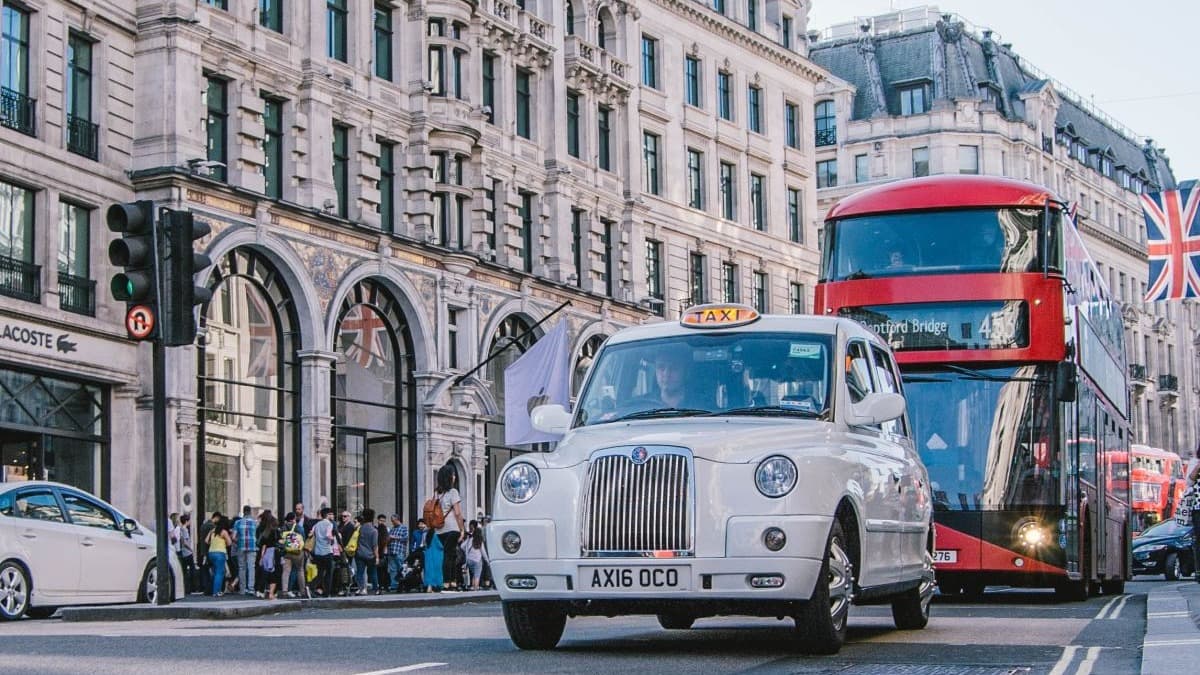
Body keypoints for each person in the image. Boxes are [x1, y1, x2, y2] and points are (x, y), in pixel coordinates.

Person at [434, 464, 466, 591]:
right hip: (452, 527)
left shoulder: (437, 493)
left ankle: (451, 582)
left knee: (449, 554)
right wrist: (462, 529)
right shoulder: (453, 492)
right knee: (450, 555)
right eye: (453, 474)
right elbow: (458, 513)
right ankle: (449, 582)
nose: (454, 477)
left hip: (439, 529)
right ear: (449, 477)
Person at [205, 515, 233, 597]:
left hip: (211, 553)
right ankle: (216, 591)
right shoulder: (224, 532)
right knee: (219, 573)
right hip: (220, 553)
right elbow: (229, 543)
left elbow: (206, 541)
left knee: (215, 572)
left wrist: (213, 543)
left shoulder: (212, 530)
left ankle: (212, 589)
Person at [233, 505, 257, 596]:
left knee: (242, 568)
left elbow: (233, 537)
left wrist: (238, 542)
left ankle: (242, 589)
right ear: (250, 512)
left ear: (243, 512)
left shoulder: (238, 522)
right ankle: (251, 588)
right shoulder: (255, 523)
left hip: (241, 547)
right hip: (252, 547)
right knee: (251, 567)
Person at [386, 514, 408, 592]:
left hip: (399, 551)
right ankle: (394, 585)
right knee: (392, 569)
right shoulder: (392, 529)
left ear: (397, 520)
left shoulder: (404, 528)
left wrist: (394, 537)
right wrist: (389, 539)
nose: (392, 522)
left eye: (393, 521)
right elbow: (387, 540)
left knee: (401, 568)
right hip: (391, 551)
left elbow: (405, 538)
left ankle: (402, 585)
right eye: (392, 521)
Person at [177, 513, 196, 594]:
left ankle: (185, 588)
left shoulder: (180, 529)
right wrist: (191, 549)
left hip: (183, 553)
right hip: (188, 553)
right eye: (189, 521)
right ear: (186, 521)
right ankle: (192, 588)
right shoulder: (185, 530)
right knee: (192, 570)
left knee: (184, 571)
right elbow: (185, 542)